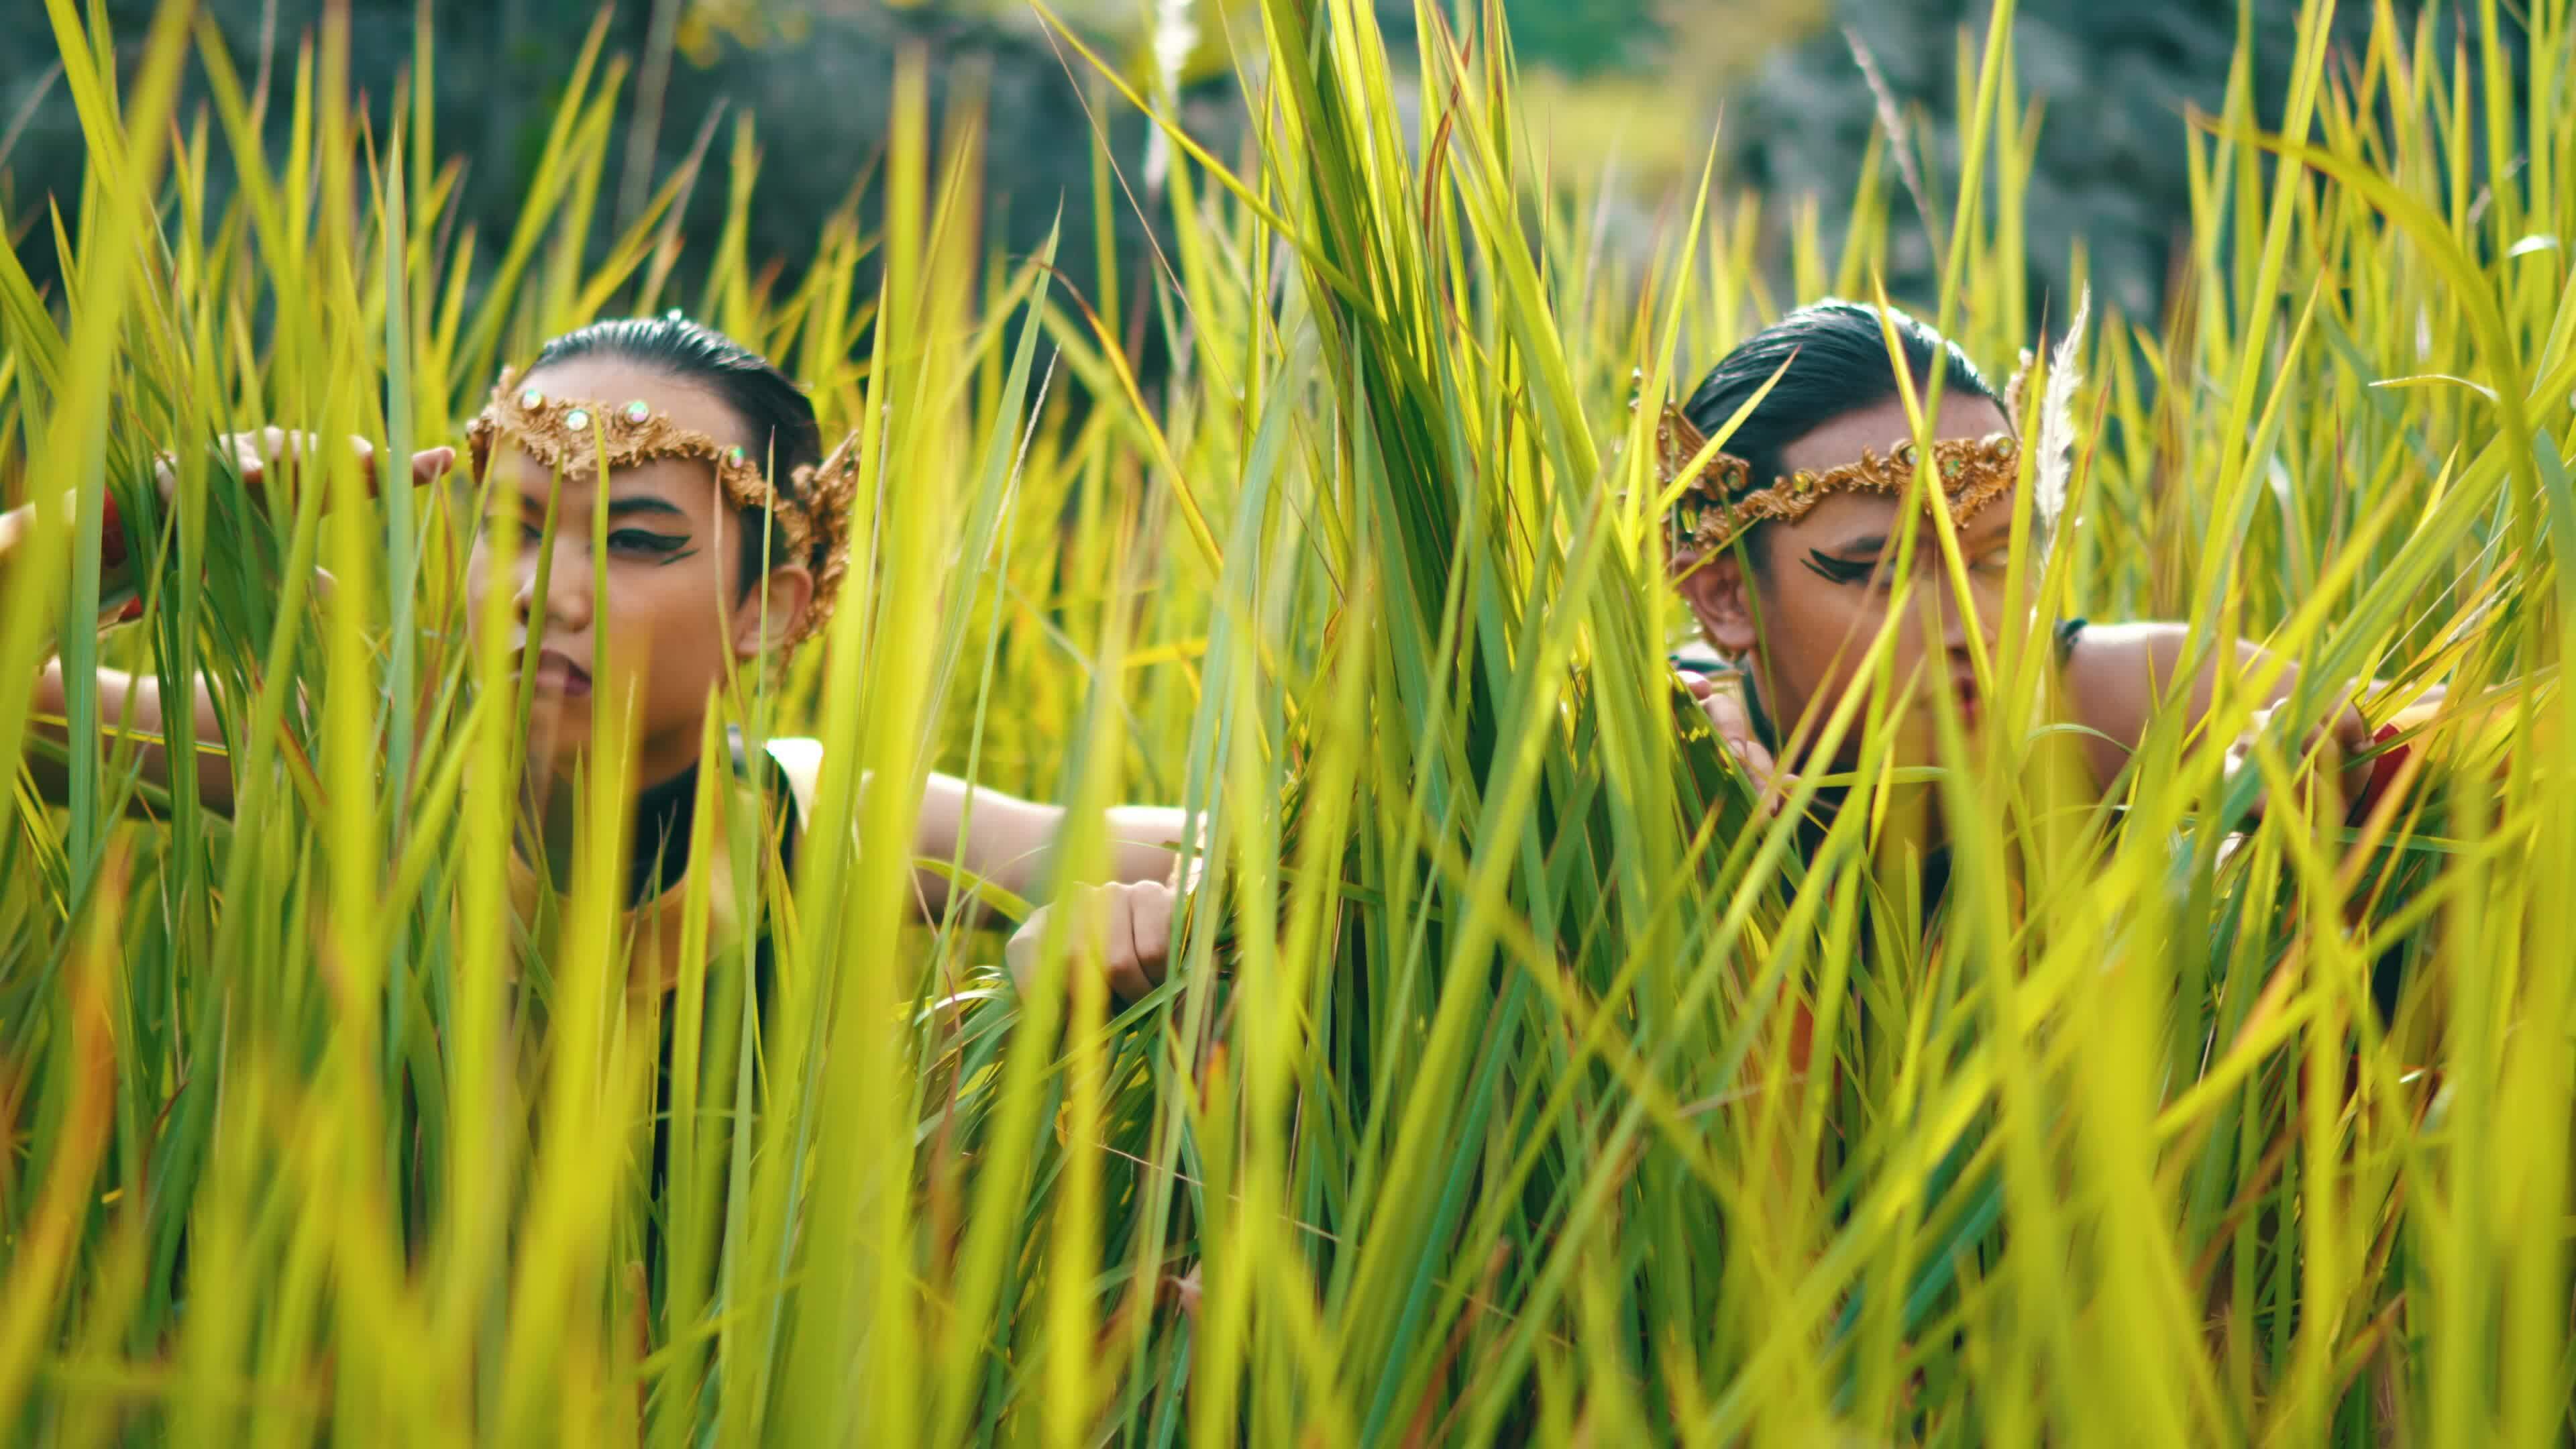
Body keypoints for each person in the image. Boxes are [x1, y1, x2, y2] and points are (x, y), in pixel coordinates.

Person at [1008, 299, 2431, 996]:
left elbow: (2468, 746)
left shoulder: (2137, 698)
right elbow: (1220, 880)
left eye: (1999, 560)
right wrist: (1064, 952)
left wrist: (2317, 799)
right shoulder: (1642, 776)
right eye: (1876, 571)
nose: (1968, 624)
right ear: (1725, 594)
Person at [11, 315, 1191, 977]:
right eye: (510, 529)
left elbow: (1257, 857)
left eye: (633, 543)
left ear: (768, 610)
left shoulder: (798, 823)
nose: (543, 595)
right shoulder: (342, 763)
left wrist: (1106, 933)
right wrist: (120, 529)